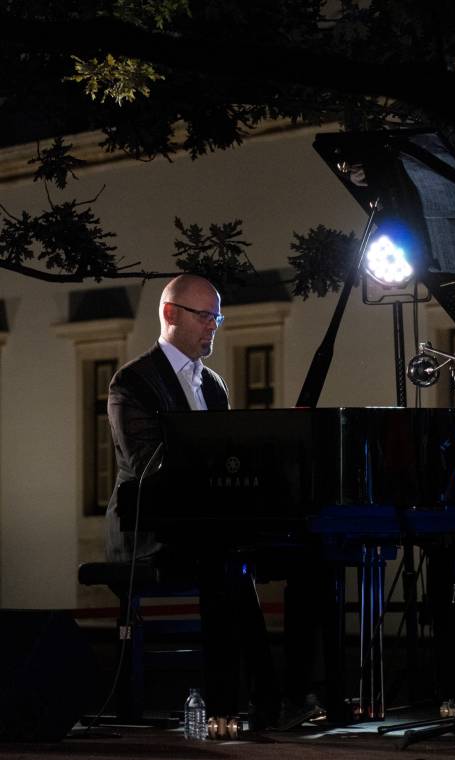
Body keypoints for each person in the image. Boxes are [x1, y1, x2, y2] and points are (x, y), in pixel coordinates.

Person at [105, 274, 280, 727]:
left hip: (200, 526)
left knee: (259, 555)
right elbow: (145, 464)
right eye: (204, 316)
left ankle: (272, 699)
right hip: (146, 528)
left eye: (217, 318)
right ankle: (238, 703)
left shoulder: (214, 385)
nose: (213, 326)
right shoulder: (132, 382)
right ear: (170, 314)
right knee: (225, 559)